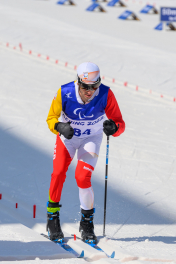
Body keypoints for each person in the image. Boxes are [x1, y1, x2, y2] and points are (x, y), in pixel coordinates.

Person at [45, 62, 125, 244]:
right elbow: (51, 118)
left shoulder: (106, 93)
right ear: (78, 82)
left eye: (94, 86)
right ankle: (52, 218)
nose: (90, 91)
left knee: (82, 177)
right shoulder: (64, 92)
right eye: (85, 87)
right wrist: (59, 126)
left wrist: (114, 128)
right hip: (68, 138)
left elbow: (120, 123)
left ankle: (87, 222)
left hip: (91, 139)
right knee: (58, 173)